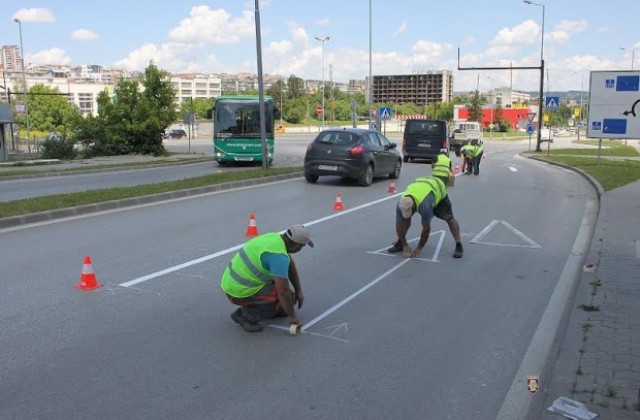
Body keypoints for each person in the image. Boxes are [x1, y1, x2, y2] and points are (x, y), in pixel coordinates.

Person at [220, 224, 314, 332]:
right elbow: (283, 291)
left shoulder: (275, 239)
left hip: (232, 281)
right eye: (302, 246)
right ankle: (245, 316)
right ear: (296, 245)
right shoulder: (278, 256)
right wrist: (292, 317)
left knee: (289, 300)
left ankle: (270, 309)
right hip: (238, 289)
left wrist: (298, 291)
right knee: (277, 298)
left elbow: (289, 265)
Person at [387, 171, 463, 259]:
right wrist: (404, 244)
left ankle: (458, 245)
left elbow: (426, 229)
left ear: (414, 207)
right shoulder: (401, 204)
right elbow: (399, 224)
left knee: (449, 218)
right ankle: (400, 243)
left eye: (409, 212)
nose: (408, 214)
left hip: (437, 189)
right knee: (405, 220)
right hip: (422, 185)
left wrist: (419, 248)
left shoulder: (425, 206)